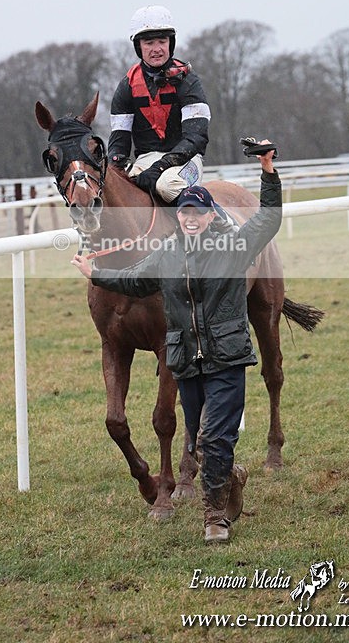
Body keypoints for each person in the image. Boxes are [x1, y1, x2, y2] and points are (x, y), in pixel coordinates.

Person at [71, 145, 281, 543]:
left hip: (226, 359)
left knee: (212, 438)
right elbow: (132, 280)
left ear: (209, 216)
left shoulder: (234, 247)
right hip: (187, 363)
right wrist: (95, 271)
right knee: (198, 445)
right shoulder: (166, 255)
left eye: (197, 212)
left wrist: (268, 174)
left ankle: (214, 516)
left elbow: (268, 221)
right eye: (183, 213)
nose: (189, 219)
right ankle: (232, 474)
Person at [108, 5, 211, 203]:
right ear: (139, 47)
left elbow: (196, 138)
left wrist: (160, 167)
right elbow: (120, 140)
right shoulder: (126, 86)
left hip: (187, 160)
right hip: (146, 160)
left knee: (167, 185)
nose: (157, 49)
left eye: (162, 41)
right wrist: (115, 166)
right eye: (149, 43)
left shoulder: (189, 82)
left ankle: (218, 222)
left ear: (170, 43)